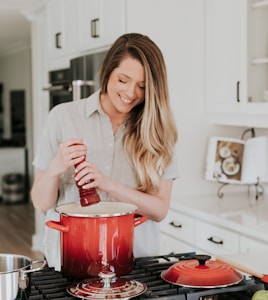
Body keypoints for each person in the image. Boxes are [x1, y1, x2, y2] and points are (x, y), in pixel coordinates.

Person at [31, 33, 179, 271]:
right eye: (123, 80)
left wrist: (107, 184)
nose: (131, 93)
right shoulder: (62, 116)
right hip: (71, 262)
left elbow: (160, 210)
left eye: (142, 86)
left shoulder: (158, 131)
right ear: (107, 72)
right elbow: (40, 202)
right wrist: (55, 168)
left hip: (136, 265)